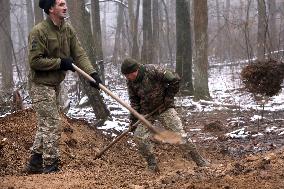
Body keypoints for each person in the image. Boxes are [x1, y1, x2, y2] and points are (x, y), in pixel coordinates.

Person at [24, 0, 102, 174]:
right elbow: (35, 61)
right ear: (51, 8)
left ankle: (35, 163)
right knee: (52, 123)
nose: (65, 7)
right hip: (40, 84)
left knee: (46, 124)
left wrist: (92, 73)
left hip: (55, 84)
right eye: (60, 4)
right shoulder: (39, 31)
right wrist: (60, 63)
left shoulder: (67, 29)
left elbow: (79, 53)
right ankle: (50, 165)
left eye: (65, 3)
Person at [121, 57, 209, 172]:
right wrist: (134, 121)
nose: (127, 78)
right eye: (126, 76)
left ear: (135, 70)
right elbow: (134, 101)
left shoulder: (153, 70)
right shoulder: (130, 81)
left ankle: (200, 161)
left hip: (164, 108)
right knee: (139, 137)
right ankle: (152, 165)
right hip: (147, 112)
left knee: (179, 136)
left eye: (128, 75)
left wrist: (168, 98)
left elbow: (175, 79)